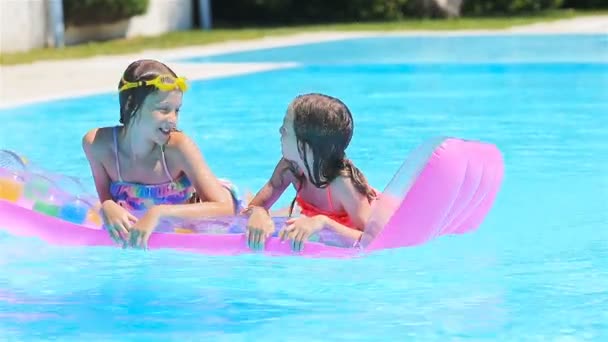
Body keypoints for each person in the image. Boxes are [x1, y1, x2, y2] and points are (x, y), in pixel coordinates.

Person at [82, 59, 240, 249]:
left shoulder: (177, 147)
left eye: (176, 110)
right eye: (164, 109)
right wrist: (107, 206)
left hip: (204, 207)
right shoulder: (97, 145)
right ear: (131, 104)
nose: (173, 120)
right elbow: (106, 198)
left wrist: (159, 213)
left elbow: (225, 208)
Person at [243, 93, 377, 252]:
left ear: (307, 145)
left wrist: (323, 223)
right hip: (313, 215)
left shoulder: (342, 184)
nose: (280, 131)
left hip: (368, 214)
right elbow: (252, 209)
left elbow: (374, 239)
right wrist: (258, 213)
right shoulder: (289, 168)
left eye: (286, 129)